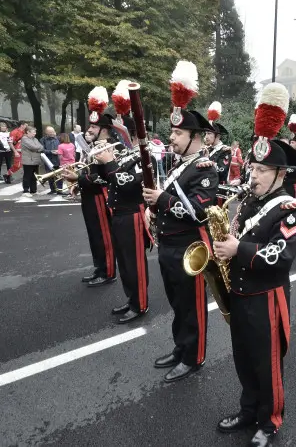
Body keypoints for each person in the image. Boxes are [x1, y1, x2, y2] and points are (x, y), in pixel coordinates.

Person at [212, 83, 296, 447]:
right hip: (241, 294)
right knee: (243, 358)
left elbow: (280, 257)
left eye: (262, 170)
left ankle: (270, 421)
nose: (253, 175)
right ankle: (248, 409)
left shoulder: (290, 209)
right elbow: (236, 237)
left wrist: (238, 248)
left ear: (281, 174)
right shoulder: (250, 203)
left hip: (266, 298)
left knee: (267, 365)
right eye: (253, 167)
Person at [141, 61, 217, 382]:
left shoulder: (204, 168)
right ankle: (180, 346)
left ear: (194, 137)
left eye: (177, 133)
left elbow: (199, 210)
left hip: (189, 248)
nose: (171, 138)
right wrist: (152, 209)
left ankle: (194, 355)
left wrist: (162, 201)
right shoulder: (179, 166)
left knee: (192, 304)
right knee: (176, 301)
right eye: (172, 132)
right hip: (169, 245)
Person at [85, 87, 150, 323]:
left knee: (135, 264)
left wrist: (110, 164)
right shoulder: (120, 154)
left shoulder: (142, 155)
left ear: (131, 135)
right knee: (124, 262)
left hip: (133, 213)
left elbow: (130, 184)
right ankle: (131, 299)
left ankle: (140, 304)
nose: (117, 136)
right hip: (118, 213)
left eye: (121, 132)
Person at [61, 97, 117, 288]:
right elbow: (89, 172)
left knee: (104, 236)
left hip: (101, 198)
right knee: (94, 234)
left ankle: (108, 271)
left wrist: (79, 179)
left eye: (94, 127)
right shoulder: (93, 147)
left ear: (105, 129)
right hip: (89, 196)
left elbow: (104, 178)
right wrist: (78, 183)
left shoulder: (109, 148)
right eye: (90, 126)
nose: (89, 130)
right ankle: (99, 267)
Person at [205, 101, 232, 187]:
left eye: (209, 134)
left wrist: (206, 161)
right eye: (205, 133)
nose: (206, 136)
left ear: (217, 136)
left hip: (217, 189)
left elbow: (222, 171)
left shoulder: (224, 151)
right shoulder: (207, 149)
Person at [19, 126, 43, 195]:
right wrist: (37, 148)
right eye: (33, 132)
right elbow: (33, 147)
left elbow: (42, 147)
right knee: (27, 176)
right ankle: (26, 190)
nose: (35, 133)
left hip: (36, 161)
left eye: (35, 132)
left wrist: (37, 148)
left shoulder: (35, 139)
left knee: (34, 176)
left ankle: (34, 190)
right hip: (28, 161)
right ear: (27, 132)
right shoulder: (24, 139)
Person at [40, 126, 61, 194]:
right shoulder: (43, 140)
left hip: (58, 159)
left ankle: (59, 190)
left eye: (53, 131)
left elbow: (63, 146)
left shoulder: (58, 138)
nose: (52, 133)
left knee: (59, 175)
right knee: (50, 175)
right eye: (50, 132)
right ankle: (52, 190)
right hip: (49, 160)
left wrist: (59, 151)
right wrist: (51, 151)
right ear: (46, 133)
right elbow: (42, 150)